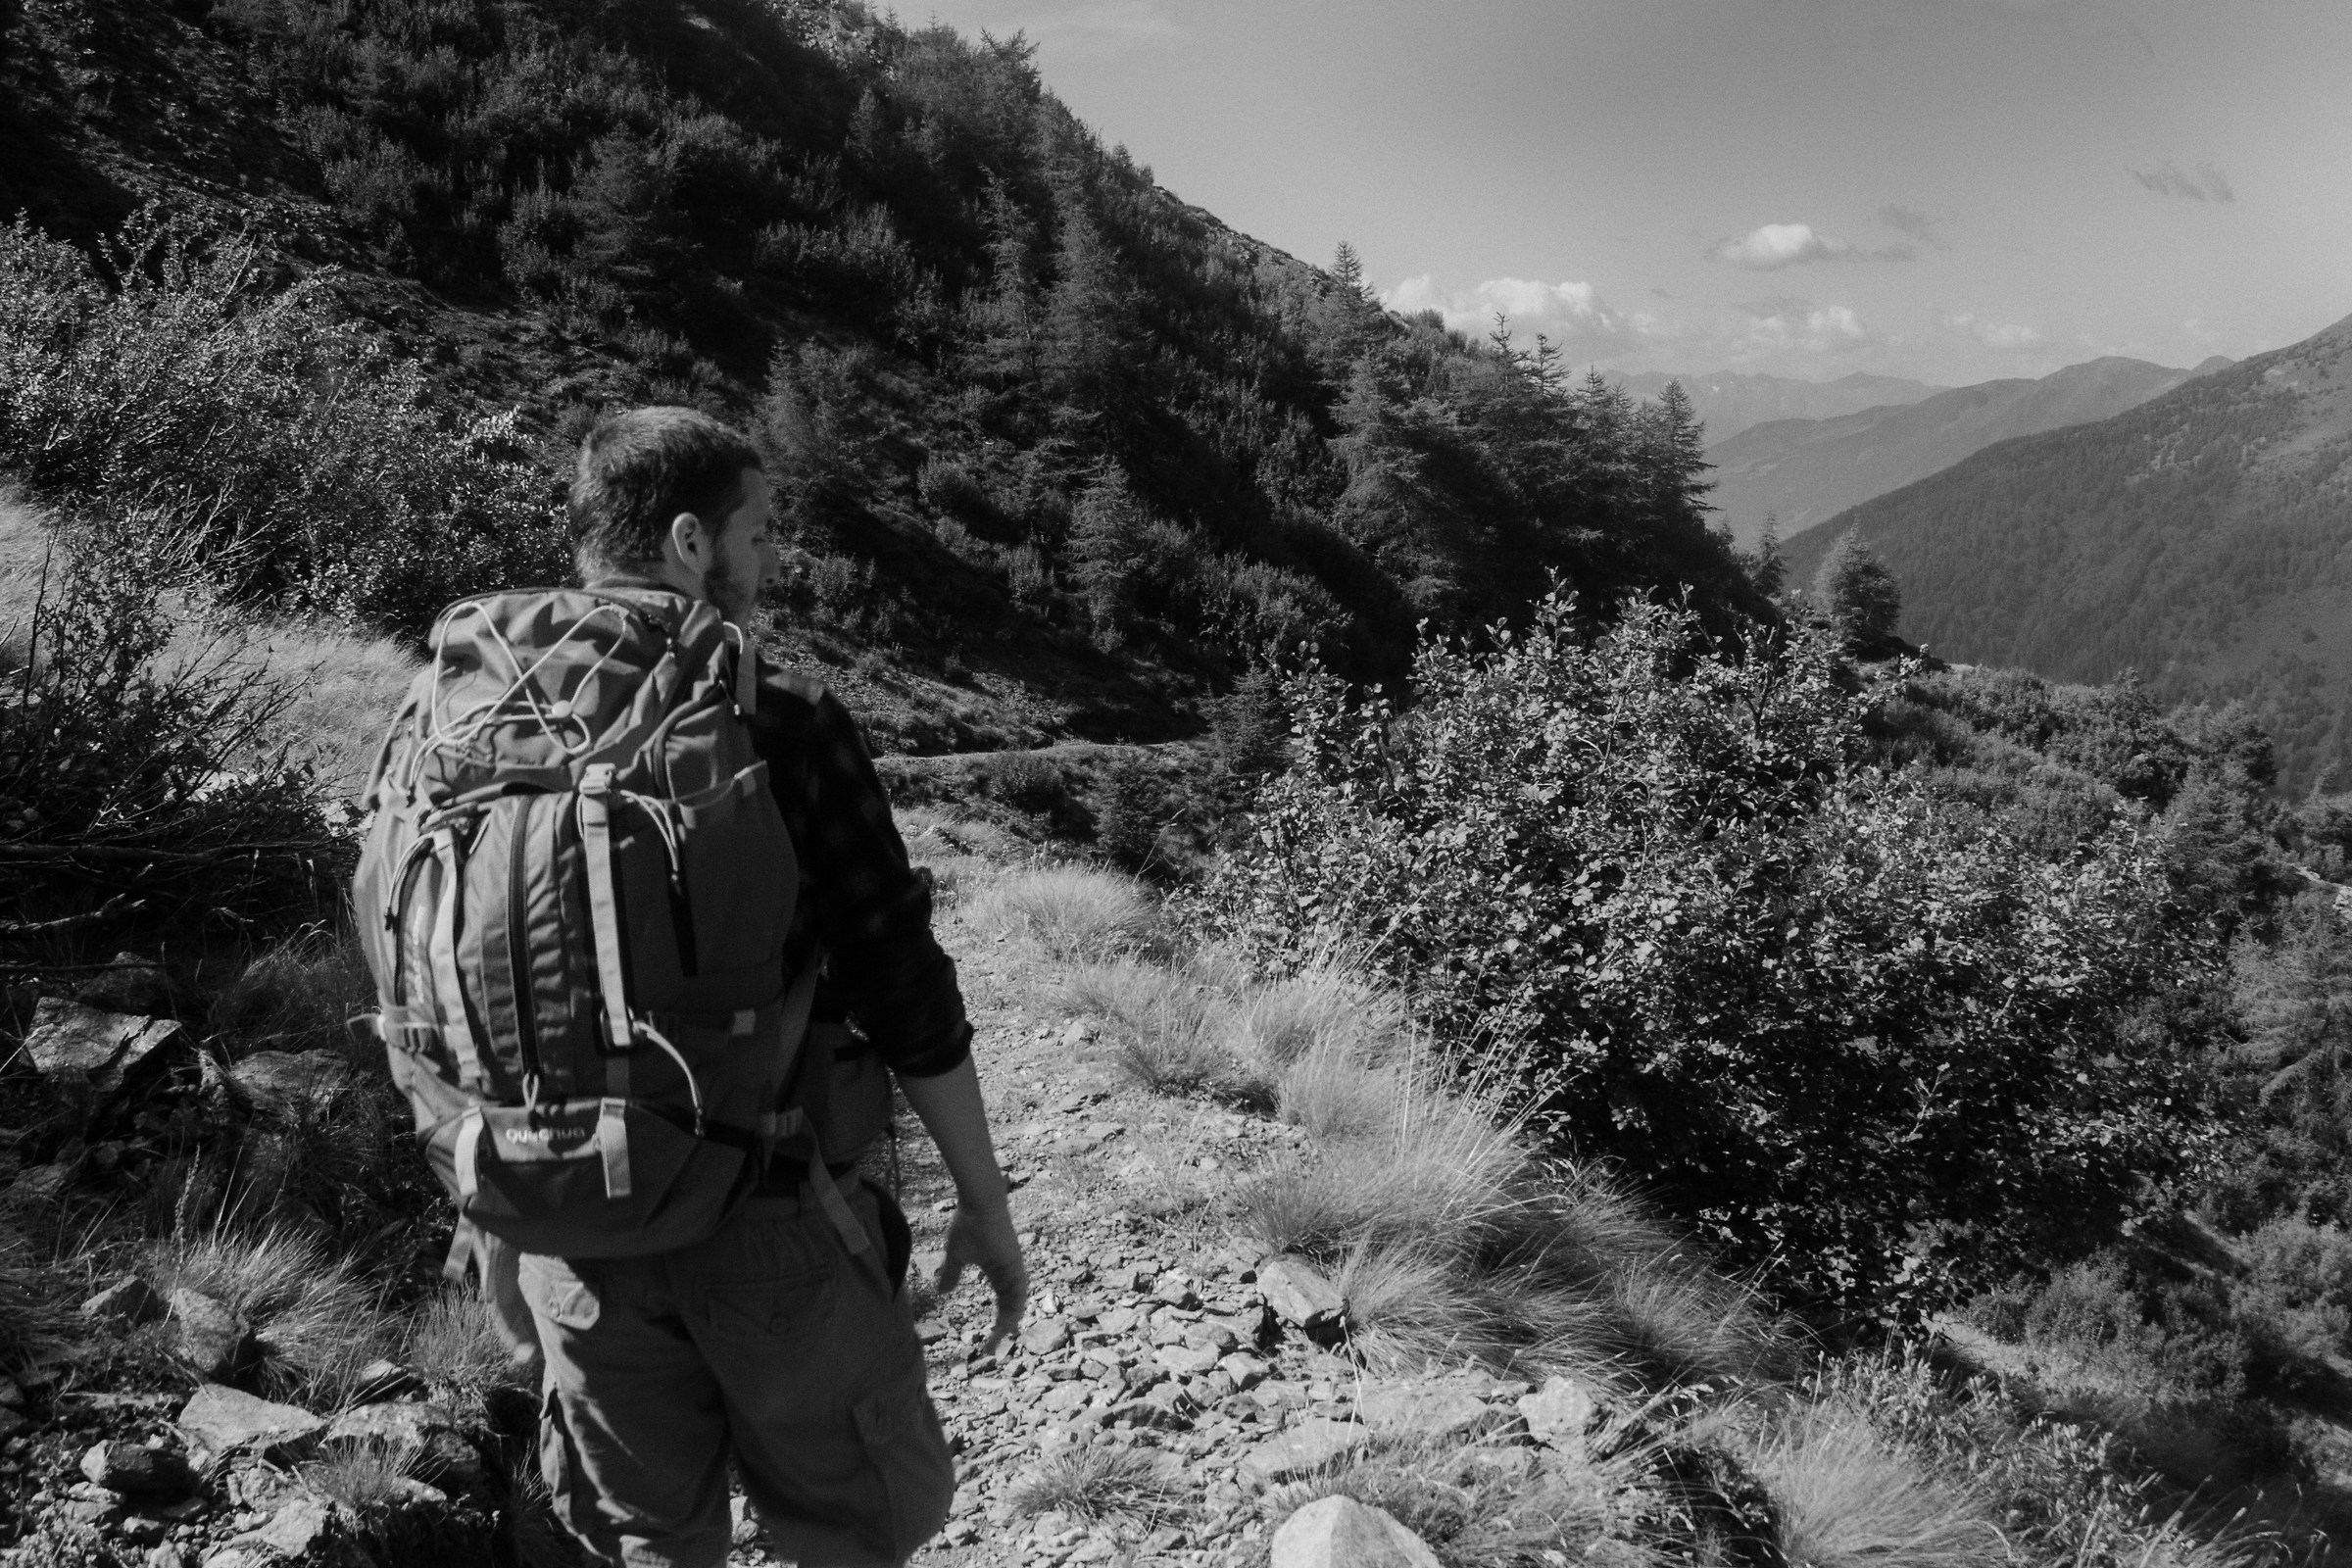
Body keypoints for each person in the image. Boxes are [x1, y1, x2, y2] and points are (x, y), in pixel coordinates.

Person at [496, 406, 1028, 1568]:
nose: (773, 559)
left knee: (639, 1541)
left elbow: (465, 993)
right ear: (691, 542)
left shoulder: (479, 739)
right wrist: (983, 1204)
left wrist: (490, 1218)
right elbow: (906, 990)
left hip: (564, 1226)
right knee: (854, 1527)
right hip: (769, 1219)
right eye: (762, 530)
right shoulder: (778, 731)